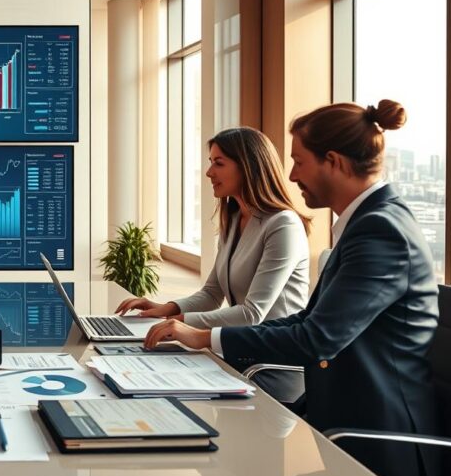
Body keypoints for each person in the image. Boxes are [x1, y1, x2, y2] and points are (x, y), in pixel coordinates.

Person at [144, 100, 438, 476]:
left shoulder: (379, 230)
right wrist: (196, 331)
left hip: (376, 443)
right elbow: (308, 322)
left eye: (300, 161)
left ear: (332, 161)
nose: (293, 174)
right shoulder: (364, 225)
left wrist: (203, 337)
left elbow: (316, 338)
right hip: (341, 420)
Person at [117, 127, 310, 329]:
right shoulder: (234, 220)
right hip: (245, 344)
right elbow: (211, 294)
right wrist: (166, 309)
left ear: (248, 167)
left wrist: (180, 323)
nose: (209, 173)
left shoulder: (284, 225)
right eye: (211, 163)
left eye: (219, 163)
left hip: (276, 351)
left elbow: (252, 313)